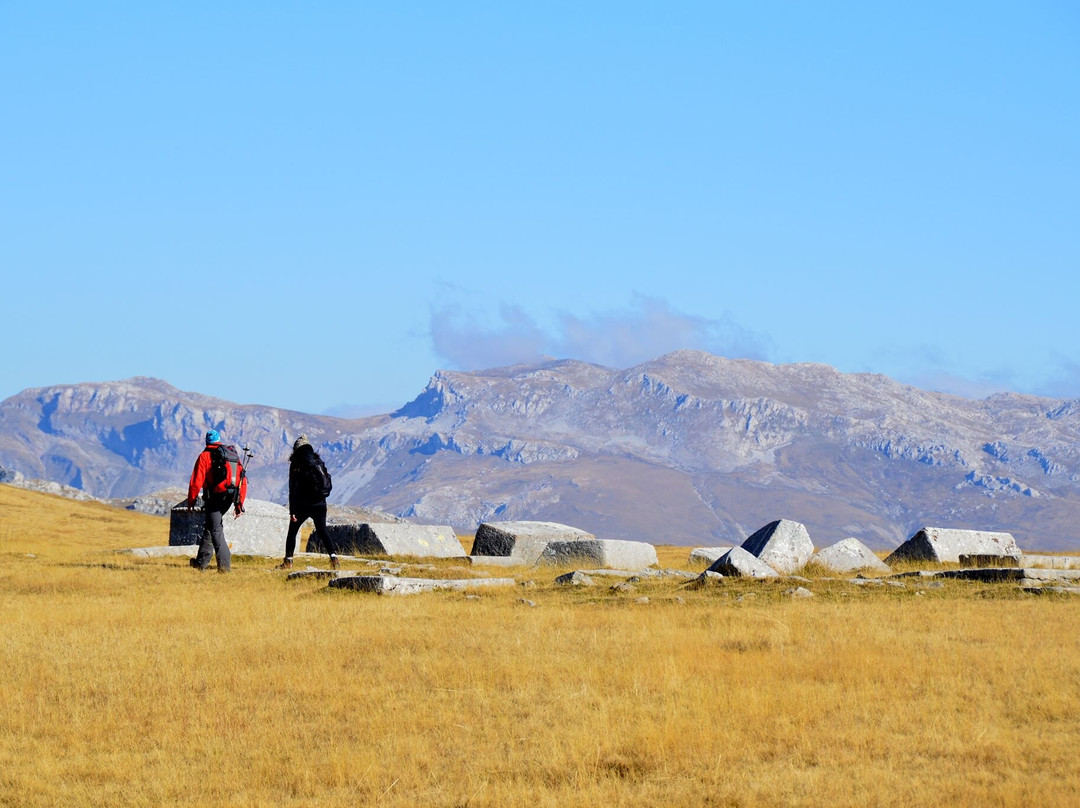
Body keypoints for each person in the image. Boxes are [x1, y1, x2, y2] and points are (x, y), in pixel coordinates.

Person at [185, 429, 247, 572]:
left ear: (206, 441)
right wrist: (239, 504)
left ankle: (224, 567)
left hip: (214, 498)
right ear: (219, 439)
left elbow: (196, 483)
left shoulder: (204, 456)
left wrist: (191, 502)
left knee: (215, 530)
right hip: (229, 498)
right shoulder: (231, 455)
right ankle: (200, 563)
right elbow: (242, 481)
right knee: (211, 526)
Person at [279, 435, 338, 570]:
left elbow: (293, 489)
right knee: (322, 531)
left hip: (303, 505)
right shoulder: (318, 460)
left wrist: (293, 511)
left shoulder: (296, 463)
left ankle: (288, 562)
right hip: (320, 503)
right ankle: (334, 558)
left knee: (292, 532)